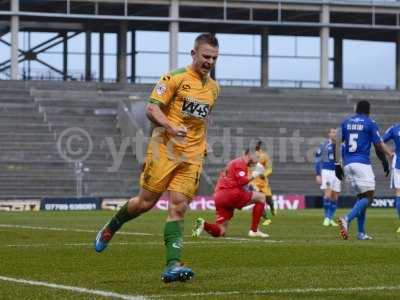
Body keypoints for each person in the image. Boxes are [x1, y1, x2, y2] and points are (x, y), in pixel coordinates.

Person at [94, 33, 220, 283]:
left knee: (179, 206)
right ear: (193, 53)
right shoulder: (173, 78)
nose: (209, 62)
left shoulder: (214, 88)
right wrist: (172, 127)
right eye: (206, 56)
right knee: (145, 202)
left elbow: (204, 118)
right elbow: (152, 109)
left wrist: (203, 143)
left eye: (214, 58)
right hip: (165, 149)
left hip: (192, 155)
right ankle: (112, 225)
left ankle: (172, 265)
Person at [335, 100, 392, 240]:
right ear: (368, 110)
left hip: (348, 165)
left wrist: (337, 164)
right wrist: (388, 157)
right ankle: (346, 219)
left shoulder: (346, 122)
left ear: (356, 109)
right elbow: (378, 144)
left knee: (362, 197)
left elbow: (337, 142)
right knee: (369, 196)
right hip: (362, 164)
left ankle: (361, 233)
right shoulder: (369, 122)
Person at [192, 149, 269, 239]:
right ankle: (254, 231)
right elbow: (241, 181)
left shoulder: (233, 163)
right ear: (249, 154)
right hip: (231, 194)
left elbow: (236, 181)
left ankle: (203, 224)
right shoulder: (241, 163)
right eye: (257, 156)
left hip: (219, 196)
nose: (258, 159)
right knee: (261, 197)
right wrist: (256, 173)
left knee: (221, 231)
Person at [314, 128, 340, 227]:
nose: (334, 134)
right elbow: (318, 160)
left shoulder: (341, 145)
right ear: (329, 134)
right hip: (327, 171)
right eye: (333, 132)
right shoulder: (324, 145)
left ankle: (330, 218)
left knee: (335, 196)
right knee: (328, 195)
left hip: (337, 173)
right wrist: (318, 174)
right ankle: (327, 218)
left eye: (336, 132)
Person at [250, 140, 275, 226]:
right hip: (254, 183)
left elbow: (270, 169)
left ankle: (272, 208)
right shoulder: (250, 157)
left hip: (263, 183)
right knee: (259, 201)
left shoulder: (264, 156)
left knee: (269, 200)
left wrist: (264, 175)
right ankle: (266, 218)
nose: (256, 148)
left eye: (257, 146)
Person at [382, 123, 400, 233]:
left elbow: (381, 141)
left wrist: (389, 153)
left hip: (398, 164)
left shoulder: (394, 128)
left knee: (399, 193)